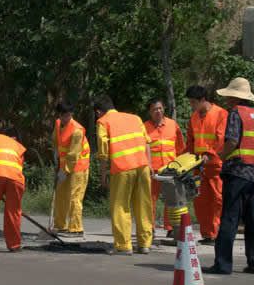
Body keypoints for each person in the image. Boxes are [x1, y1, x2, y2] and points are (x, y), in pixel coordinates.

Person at [204, 78, 254, 275]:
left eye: (229, 96)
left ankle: (223, 264)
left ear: (234, 97)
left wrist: (219, 155)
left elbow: (232, 141)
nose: (227, 101)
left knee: (230, 219)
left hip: (237, 172)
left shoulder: (235, 113)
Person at [94, 95, 154, 255]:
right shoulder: (135, 118)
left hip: (122, 168)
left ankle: (123, 245)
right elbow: (147, 142)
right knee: (143, 206)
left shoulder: (103, 122)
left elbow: (103, 152)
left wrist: (103, 175)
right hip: (142, 166)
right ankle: (145, 244)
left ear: (99, 112)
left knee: (120, 206)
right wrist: (149, 164)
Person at [185, 85, 228, 244]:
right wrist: (186, 159)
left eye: (193, 102)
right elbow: (190, 141)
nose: (192, 106)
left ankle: (219, 233)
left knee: (218, 200)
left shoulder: (221, 114)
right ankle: (208, 235)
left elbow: (220, 139)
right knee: (201, 201)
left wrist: (209, 155)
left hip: (216, 165)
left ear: (203, 100)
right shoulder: (194, 117)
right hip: (199, 167)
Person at [143, 98, 185, 238]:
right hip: (152, 169)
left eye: (160, 108)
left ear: (164, 109)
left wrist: (180, 165)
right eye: (155, 109)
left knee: (172, 199)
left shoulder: (173, 125)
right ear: (150, 111)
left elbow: (180, 147)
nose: (158, 111)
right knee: (150, 200)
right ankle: (150, 227)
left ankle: (171, 227)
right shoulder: (144, 127)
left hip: (170, 169)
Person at [52, 101, 90, 236]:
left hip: (79, 166)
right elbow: (56, 140)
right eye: (64, 115)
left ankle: (76, 228)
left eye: (69, 115)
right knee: (60, 195)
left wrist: (65, 171)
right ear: (59, 115)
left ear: (71, 114)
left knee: (75, 196)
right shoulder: (57, 124)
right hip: (64, 165)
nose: (66, 118)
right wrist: (55, 154)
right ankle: (60, 225)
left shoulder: (77, 131)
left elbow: (73, 154)